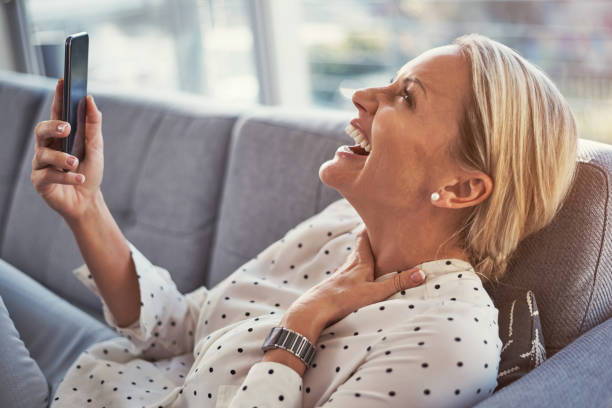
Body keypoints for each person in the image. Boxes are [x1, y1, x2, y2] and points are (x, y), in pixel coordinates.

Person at [1, 32, 577, 408]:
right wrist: (87, 207)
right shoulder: (342, 226)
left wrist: (300, 328)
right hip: (106, 377)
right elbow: (182, 329)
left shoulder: (446, 341)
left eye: (405, 97)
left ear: (460, 188)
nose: (360, 95)